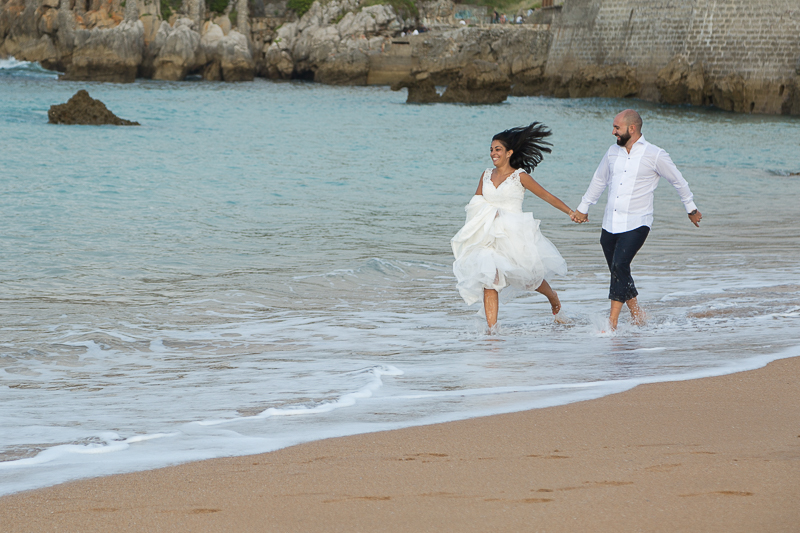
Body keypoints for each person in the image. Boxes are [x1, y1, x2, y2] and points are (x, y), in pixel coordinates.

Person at [572, 109, 703, 330]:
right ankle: (637, 314)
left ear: (632, 128)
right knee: (618, 269)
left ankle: (611, 322)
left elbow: (678, 181)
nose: (613, 132)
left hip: (637, 223)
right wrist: (583, 208)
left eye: (617, 128)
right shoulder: (612, 152)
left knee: (620, 264)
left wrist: (690, 208)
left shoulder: (655, 154)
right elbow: (599, 181)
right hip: (610, 223)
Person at [451, 123, 579, 330]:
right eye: (491, 149)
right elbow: (475, 203)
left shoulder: (520, 176)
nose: (493, 153)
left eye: (498, 149)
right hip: (488, 233)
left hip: (514, 233)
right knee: (489, 279)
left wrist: (570, 212)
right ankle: (493, 333)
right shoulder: (485, 175)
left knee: (530, 278)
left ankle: (553, 298)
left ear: (509, 152)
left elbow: (546, 196)